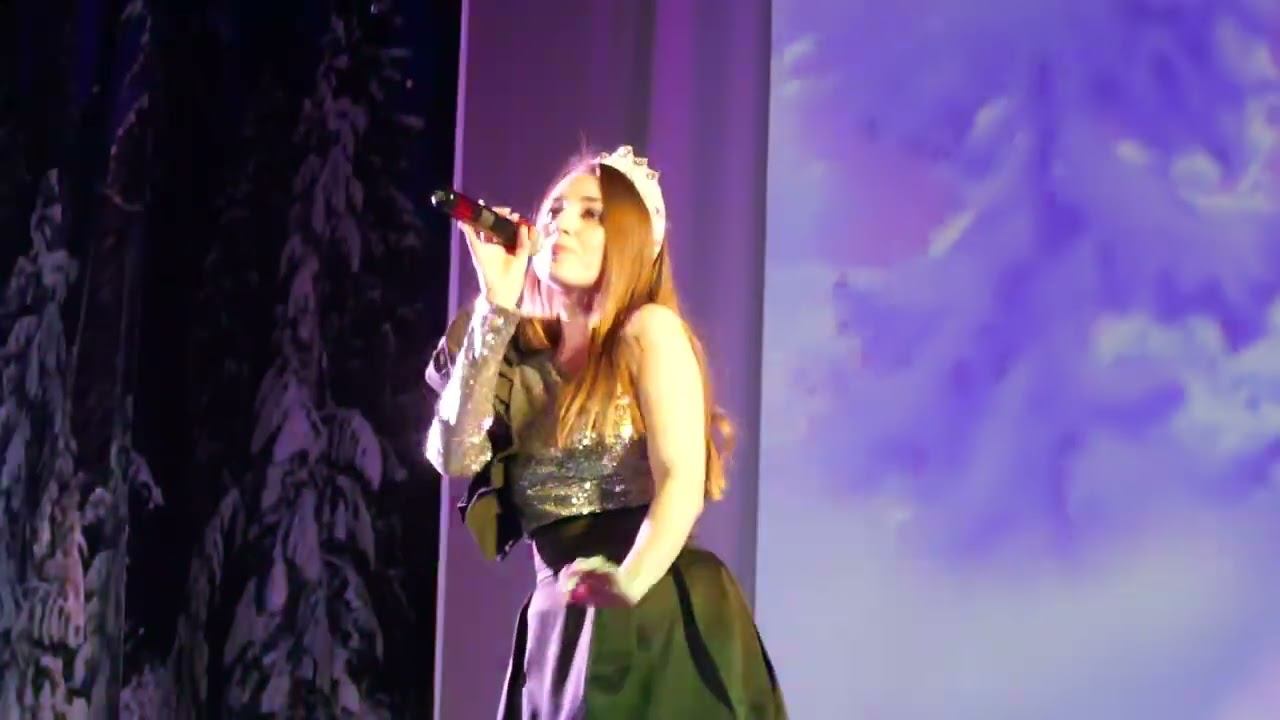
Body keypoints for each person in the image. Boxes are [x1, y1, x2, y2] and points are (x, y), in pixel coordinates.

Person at [424, 145, 787, 719]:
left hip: (650, 609)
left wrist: (629, 583)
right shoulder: (516, 358)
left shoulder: (647, 331)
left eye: (591, 213)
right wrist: (497, 304)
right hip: (560, 625)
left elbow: (680, 480)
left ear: (633, 238)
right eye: (553, 211)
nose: (561, 224)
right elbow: (452, 454)